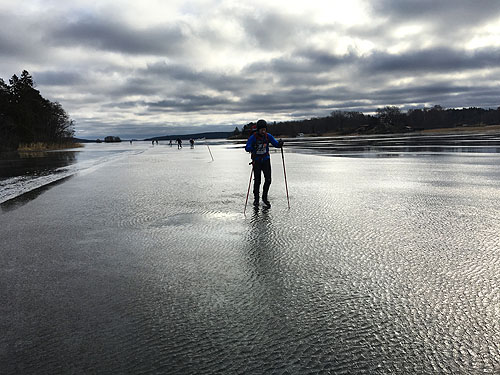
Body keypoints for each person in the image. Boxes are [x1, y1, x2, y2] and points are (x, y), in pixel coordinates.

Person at [245, 119, 283, 208]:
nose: (263, 131)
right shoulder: (253, 137)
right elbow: (247, 147)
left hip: (266, 160)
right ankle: (256, 199)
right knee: (257, 181)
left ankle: (264, 198)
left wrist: (280, 144)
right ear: (258, 129)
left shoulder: (268, 136)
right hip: (257, 161)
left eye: (264, 129)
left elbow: (276, 144)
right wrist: (252, 148)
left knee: (268, 180)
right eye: (261, 130)